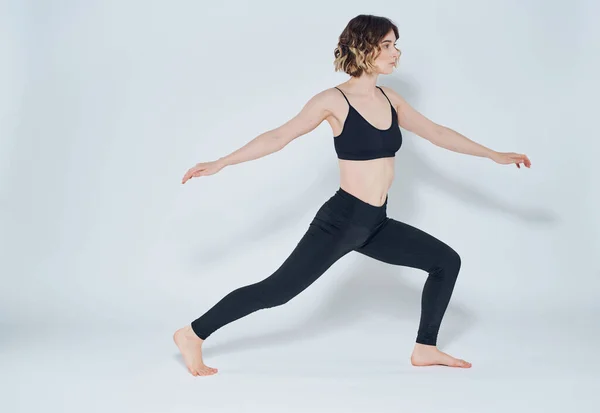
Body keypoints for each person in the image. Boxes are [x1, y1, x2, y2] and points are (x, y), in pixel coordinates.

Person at [173, 14, 531, 377]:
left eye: (396, 45)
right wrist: (222, 162)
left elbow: (437, 132)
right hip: (342, 221)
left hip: (376, 223)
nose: (396, 53)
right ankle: (192, 334)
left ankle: (425, 348)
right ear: (363, 47)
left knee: (445, 262)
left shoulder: (390, 98)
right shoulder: (334, 100)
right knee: (276, 292)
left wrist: (493, 154)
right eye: (388, 45)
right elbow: (278, 137)